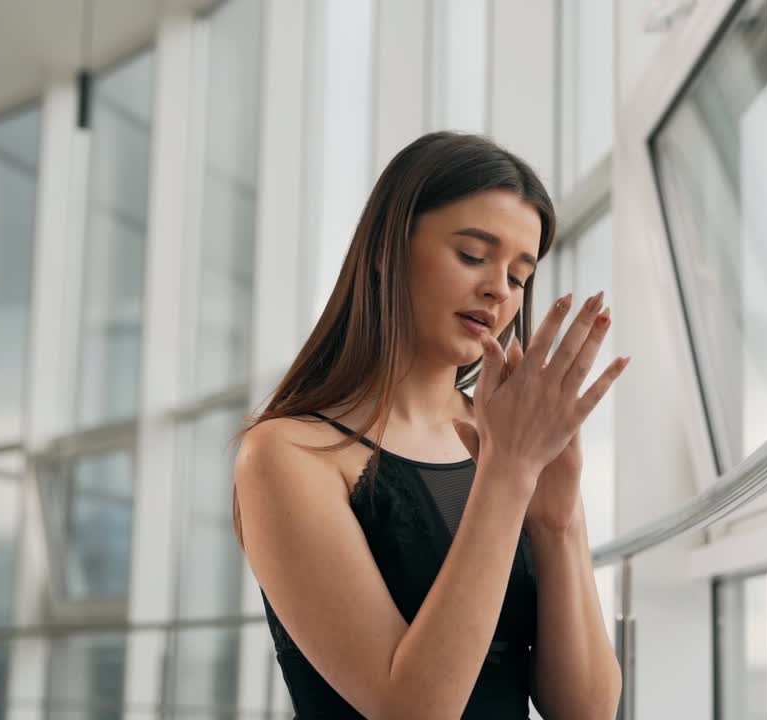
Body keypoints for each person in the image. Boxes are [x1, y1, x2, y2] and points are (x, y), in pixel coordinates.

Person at [232, 131, 630, 719]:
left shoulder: (508, 441)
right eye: (472, 255)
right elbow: (412, 710)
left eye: (520, 276)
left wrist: (557, 521)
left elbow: (586, 710)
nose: (498, 288)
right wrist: (508, 476)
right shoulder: (287, 452)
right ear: (386, 250)